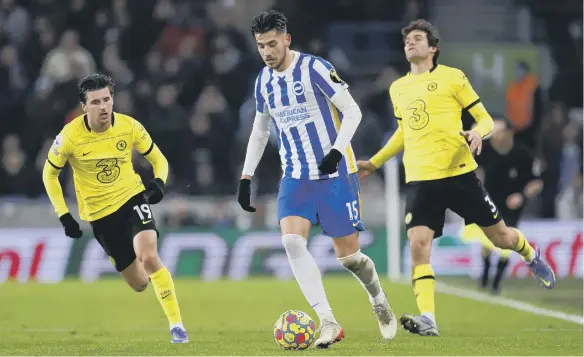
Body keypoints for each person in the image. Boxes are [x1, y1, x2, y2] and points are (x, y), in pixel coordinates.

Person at [357, 19, 555, 337]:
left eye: (418, 38)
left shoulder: (452, 78)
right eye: (407, 39)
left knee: (501, 239)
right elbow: (404, 131)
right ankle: (429, 318)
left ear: (433, 47)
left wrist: (478, 133)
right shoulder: (399, 88)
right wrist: (377, 162)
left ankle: (530, 254)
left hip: (459, 175)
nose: (410, 42)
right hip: (421, 179)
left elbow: (485, 118)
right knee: (418, 244)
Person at [237, 10, 397, 348]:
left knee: (349, 258)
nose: (266, 51)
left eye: (271, 43)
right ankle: (328, 321)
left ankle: (378, 299)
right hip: (296, 175)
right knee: (292, 242)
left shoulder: (316, 68)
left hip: (335, 173)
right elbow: (260, 130)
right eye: (260, 46)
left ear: (286, 39)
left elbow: (353, 111)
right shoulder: (263, 82)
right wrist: (246, 176)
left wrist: (338, 152)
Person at [41, 74, 188, 344]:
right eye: (95, 102)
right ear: (84, 107)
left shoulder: (129, 126)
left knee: (149, 256)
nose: (103, 107)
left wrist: (158, 183)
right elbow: (49, 175)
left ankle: (177, 327)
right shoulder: (70, 136)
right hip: (100, 216)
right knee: (140, 283)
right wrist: (64, 215)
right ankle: (151, 278)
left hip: (131, 198)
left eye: (107, 99)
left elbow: (159, 159)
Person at [460, 116, 543, 295]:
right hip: (489, 202)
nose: (495, 136)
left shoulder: (524, 155)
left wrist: (521, 196)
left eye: (498, 131)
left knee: (508, 242)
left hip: (512, 205)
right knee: (486, 242)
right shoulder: (485, 151)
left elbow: (536, 182)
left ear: (509, 132)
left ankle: (496, 281)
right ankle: (485, 272)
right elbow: (473, 170)